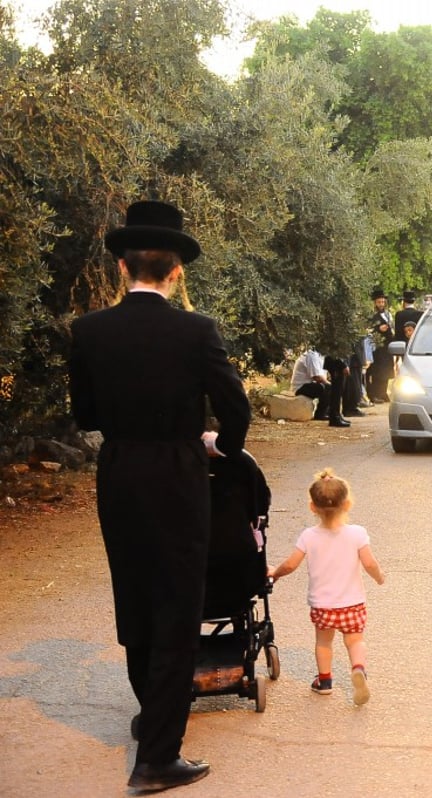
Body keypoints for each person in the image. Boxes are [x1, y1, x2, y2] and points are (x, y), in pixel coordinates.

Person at [68, 200, 252, 792]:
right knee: (177, 607)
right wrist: (219, 444)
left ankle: (153, 716)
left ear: (122, 267)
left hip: (119, 471)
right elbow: (236, 408)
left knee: (137, 598)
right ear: (175, 270)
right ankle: (156, 759)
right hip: (177, 470)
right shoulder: (196, 331)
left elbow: (86, 416)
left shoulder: (88, 331)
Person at [268, 468, 385, 706]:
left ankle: (324, 682)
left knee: (324, 642)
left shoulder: (308, 536)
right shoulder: (357, 533)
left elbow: (290, 565)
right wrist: (379, 577)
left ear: (312, 506)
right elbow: (370, 563)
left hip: (323, 607)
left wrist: (275, 574)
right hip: (352, 603)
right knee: (355, 641)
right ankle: (359, 669)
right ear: (348, 504)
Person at [292, 347, 351, 427]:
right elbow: (317, 377)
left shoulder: (321, 356)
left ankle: (325, 413)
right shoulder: (311, 355)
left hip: (311, 384)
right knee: (327, 387)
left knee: (327, 387)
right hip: (301, 386)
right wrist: (330, 385)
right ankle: (321, 413)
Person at [364, 288, 394, 403]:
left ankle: (383, 392)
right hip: (377, 348)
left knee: (386, 370)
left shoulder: (388, 314)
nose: (381, 304)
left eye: (382, 302)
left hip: (386, 347)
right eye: (379, 302)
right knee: (377, 371)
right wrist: (378, 329)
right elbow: (368, 330)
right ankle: (375, 394)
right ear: (375, 303)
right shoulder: (371, 316)